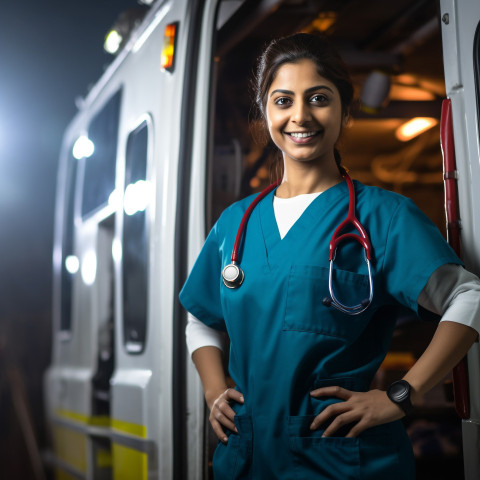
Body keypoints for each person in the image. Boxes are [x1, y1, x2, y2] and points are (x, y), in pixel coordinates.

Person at [179, 33, 480, 479]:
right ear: (265, 111)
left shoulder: (384, 216)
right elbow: (201, 315)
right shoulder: (235, 223)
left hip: (341, 460)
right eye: (283, 100)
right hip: (246, 459)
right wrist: (213, 389)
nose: (300, 116)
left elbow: (469, 298)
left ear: (344, 109)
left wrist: (401, 394)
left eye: (318, 98)